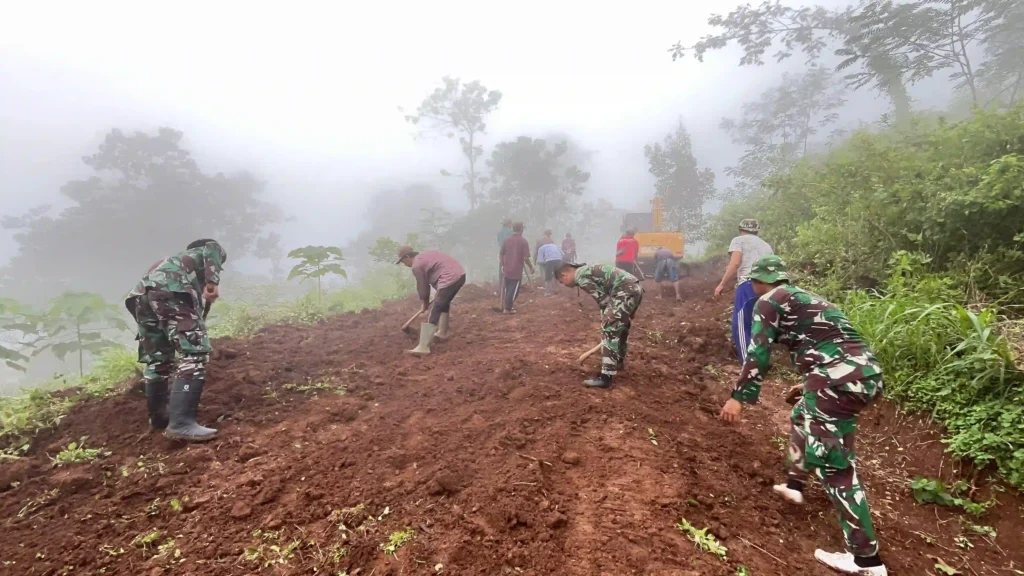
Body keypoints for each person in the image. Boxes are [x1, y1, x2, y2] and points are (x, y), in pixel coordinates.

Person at [720, 256, 887, 576]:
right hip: (866, 376)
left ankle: (866, 561)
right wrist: (810, 383)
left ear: (756, 283)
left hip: (836, 383)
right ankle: (794, 483)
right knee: (800, 415)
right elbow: (836, 345)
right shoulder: (808, 298)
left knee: (835, 467)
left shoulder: (767, 301)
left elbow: (758, 352)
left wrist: (738, 397)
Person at [125, 239, 227, 442]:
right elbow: (213, 248)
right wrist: (212, 283)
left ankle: (159, 418)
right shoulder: (206, 250)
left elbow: (190, 307)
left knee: (159, 358)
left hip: (140, 297)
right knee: (194, 353)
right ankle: (181, 423)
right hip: (167, 291)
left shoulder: (173, 263)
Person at [555, 262, 643, 389]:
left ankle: (605, 378)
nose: (564, 284)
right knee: (622, 327)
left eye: (562, 282)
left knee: (610, 329)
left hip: (624, 291)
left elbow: (603, 300)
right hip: (634, 288)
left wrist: (606, 321)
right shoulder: (586, 270)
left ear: (564, 275)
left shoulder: (580, 276)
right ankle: (618, 362)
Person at [714, 219, 773, 363]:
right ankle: (763, 360)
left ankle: (748, 364)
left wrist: (721, 284)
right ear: (757, 231)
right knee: (760, 324)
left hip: (749, 284)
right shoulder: (766, 245)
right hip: (768, 286)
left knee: (740, 324)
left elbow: (735, 263)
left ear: (741, 230)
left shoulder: (738, 240)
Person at [397, 245, 466, 355]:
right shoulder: (425, 256)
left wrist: (425, 303)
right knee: (443, 303)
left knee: (435, 308)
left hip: (450, 277)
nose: (404, 265)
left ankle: (423, 346)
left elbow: (423, 286)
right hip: (460, 275)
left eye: (403, 262)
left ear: (407, 257)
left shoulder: (416, 265)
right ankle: (443, 332)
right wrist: (428, 300)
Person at [499, 222, 534, 313]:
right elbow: (526, 258)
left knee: (508, 289)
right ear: (521, 229)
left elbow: (501, 254)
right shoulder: (523, 241)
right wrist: (531, 266)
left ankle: (507, 306)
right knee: (514, 290)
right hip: (516, 271)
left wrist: (503, 265)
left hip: (506, 269)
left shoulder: (506, 240)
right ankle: (508, 308)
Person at [497, 219, 513, 288]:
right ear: (509, 224)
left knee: (502, 269)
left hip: (502, 253)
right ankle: (510, 285)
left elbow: (499, 242)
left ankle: (501, 286)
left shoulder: (499, 233)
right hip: (511, 253)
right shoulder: (511, 232)